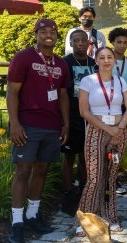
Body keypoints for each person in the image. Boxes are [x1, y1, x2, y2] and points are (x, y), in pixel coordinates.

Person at [7, 19, 70, 242]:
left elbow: (62, 95)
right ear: (36, 34)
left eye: (52, 30)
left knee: (42, 171)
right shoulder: (24, 58)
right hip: (27, 125)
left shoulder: (61, 63)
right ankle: (17, 222)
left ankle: (33, 216)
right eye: (43, 30)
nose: (48, 34)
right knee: (23, 171)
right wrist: (14, 123)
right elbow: (12, 92)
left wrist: (65, 123)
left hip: (51, 126)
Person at [76, 47, 127, 236]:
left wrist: (120, 128)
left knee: (111, 176)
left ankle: (111, 217)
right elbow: (84, 111)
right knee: (94, 177)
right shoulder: (88, 81)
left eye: (110, 57)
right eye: (102, 57)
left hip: (119, 131)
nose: (106, 60)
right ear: (96, 61)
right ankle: (86, 219)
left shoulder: (120, 81)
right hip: (96, 131)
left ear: (114, 61)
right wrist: (108, 129)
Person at [61, 29, 96, 214]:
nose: (81, 43)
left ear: (89, 43)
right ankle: (67, 192)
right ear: (72, 43)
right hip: (71, 115)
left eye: (84, 40)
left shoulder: (93, 63)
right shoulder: (64, 62)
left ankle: (84, 191)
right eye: (76, 40)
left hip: (89, 116)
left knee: (85, 156)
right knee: (68, 156)